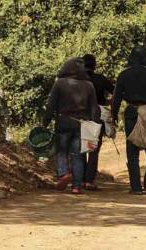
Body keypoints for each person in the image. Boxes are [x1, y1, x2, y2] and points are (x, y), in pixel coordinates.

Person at [112, 46, 146, 195]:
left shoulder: (123, 75)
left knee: (132, 152)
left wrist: (113, 116)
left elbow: (116, 98)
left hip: (131, 113)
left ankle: (135, 187)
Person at [43, 57, 100, 194]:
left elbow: (51, 105)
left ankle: (63, 173)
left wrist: (45, 122)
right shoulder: (89, 85)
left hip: (63, 121)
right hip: (81, 124)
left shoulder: (60, 84)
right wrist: (94, 124)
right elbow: (94, 108)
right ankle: (76, 186)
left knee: (61, 151)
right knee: (78, 155)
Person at [82, 54, 115, 191]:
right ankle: (89, 181)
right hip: (97, 116)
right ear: (94, 65)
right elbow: (115, 91)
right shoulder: (100, 79)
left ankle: (80, 180)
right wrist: (109, 103)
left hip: (81, 116)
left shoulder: (77, 80)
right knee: (93, 149)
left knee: (82, 149)